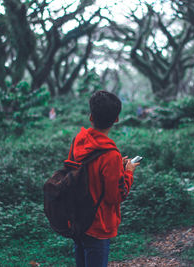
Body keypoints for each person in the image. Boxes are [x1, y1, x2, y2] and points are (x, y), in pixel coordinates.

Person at [67, 90, 140, 267]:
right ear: (116, 119)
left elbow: (72, 171)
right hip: (98, 225)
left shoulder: (80, 140)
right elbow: (115, 196)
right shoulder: (110, 155)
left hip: (77, 219)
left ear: (91, 116)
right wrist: (128, 172)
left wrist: (118, 167)